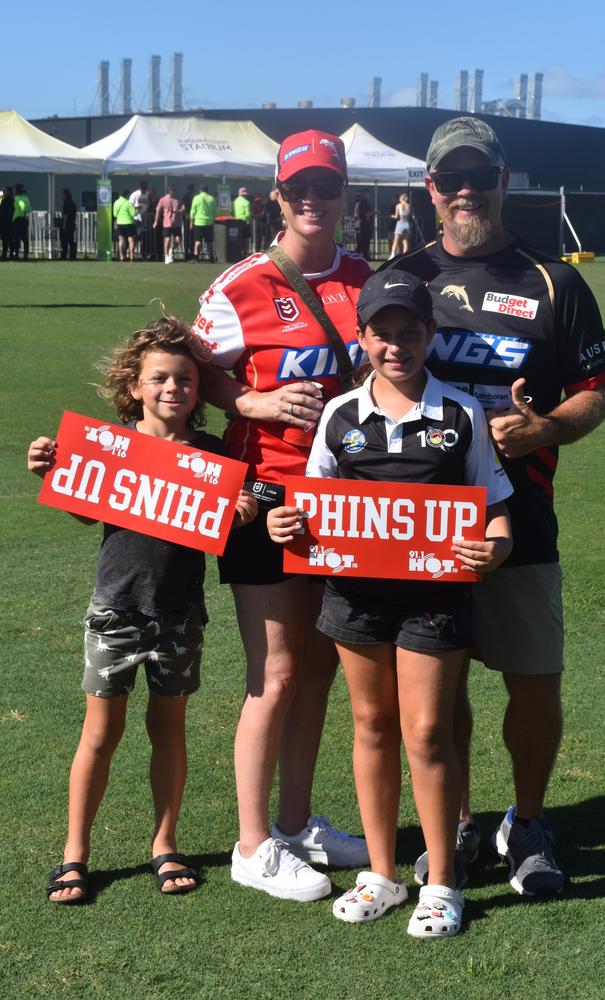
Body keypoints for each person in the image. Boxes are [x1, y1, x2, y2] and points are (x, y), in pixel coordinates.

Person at [383, 116, 605, 896]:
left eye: (477, 177)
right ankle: (453, 821)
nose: (464, 191)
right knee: (438, 687)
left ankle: (527, 818)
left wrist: (545, 427)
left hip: (524, 514)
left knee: (533, 680)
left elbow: (597, 393)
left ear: (502, 181)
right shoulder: (405, 277)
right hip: (426, 524)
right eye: (449, 179)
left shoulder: (554, 280)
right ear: (429, 189)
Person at [268, 269, 513, 937]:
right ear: (364, 337)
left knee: (427, 732)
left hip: (434, 600)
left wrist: (495, 548)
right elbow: (309, 504)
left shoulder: (462, 413)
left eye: (410, 332)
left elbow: (495, 514)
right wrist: (285, 524)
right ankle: (382, 871)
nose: (396, 346)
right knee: (372, 725)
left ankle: (441, 881)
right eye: (383, 334)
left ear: (430, 335)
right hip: (355, 598)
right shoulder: (340, 416)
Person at [191, 129, 373, 901]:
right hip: (264, 499)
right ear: (277, 194)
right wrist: (253, 399)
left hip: (343, 504)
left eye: (325, 187)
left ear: (343, 196)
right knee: (276, 672)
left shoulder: (368, 278)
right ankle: (251, 843)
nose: (313, 200)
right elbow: (183, 372)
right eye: (299, 187)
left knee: (323, 669)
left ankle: (297, 825)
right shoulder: (238, 287)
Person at [27, 316, 257, 904]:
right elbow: (86, 511)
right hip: (116, 610)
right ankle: (74, 853)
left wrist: (243, 508)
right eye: (158, 379)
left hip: (180, 614)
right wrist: (53, 469)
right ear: (134, 386)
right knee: (100, 733)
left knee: (168, 731)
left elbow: (226, 521)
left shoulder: (210, 456)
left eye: (184, 379)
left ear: (199, 389)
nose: (171, 389)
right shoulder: (109, 447)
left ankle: (164, 844)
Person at [154, 184, 185, 264]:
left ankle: (171, 250)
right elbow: (158, 211)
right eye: (172, 190)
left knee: (179, 240)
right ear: (168, 191)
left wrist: (178, 211)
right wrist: (156, 222)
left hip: (177, 223)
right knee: (167, 240)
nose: (173, 192)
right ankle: (166, 256)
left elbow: (183, 209)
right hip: (167, 223)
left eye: (174, 190)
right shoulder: (163, 199)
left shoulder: (178, 199)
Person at [190, 185, 216, 263]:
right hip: (209, 222)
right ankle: (211, 258)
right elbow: (215, 211)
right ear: (207, 190)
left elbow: (193, 211)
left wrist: (191, 222)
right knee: (209, 242)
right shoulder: (212, 198)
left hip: (198, 222)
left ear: (200, 190)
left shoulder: (196, 198)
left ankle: (196, 258)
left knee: (197, 242)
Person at [113, 189, 137, 261]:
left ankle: (121, 256)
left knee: (121, 240)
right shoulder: (129, 203)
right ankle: (131, 257)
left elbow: (115, 214)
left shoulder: (116, 202)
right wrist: (137, 210)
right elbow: (133, 214)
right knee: (131, 240)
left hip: (120, 223)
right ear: (127, 195)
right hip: (129, 223)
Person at [389, 192, 413, 259]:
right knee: (405, 241)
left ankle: (392, 255)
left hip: (400, 223)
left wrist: (391, 216)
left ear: (401, 198)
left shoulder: (398, 206)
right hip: (407, 223)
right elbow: (412, 216)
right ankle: (405, 256)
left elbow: (396, 217)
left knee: (396, 240)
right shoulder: (409, 205)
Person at [129, 180, 149, 259]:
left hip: (145, 219)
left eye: (145, 188)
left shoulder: (148, 194)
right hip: (136, 218)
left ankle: (142, 253)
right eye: (142, 188)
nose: (144, 190)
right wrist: (137, 207)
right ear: (140, 187)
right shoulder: (135, 194)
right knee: (135, 237)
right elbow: (129, 206)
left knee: (143, 237)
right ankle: (131, 253)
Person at [11, 182, 31, 260]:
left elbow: (22, 206)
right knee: (25, 238)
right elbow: (28, 209)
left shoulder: (16, 198)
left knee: (16, 238)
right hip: (24, 219)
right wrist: (25, 214)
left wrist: (23, 211)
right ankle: (26, 254)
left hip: (17, 219)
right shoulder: (26, 198)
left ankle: (16, 253)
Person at [353, 188, 373, 260]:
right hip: (363, 223)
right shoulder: (363, 202)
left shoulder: (362, 202)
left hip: (363, 223)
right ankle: (358, 254)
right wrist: (374, 213)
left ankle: (365, 255)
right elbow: (365, 214)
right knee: (363, 240)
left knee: (364, 240)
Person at [59, 189, 78, 260]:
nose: (61, 196)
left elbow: (65, 215)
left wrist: (63, 224)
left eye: (62, 195)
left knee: (64, 241)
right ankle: (73, 255)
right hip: (72, 223)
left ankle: (64, 255)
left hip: (67, 224)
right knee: (71, 240)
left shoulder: (66, 204)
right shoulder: (73, 203)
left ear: (66, 195)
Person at [0, 186, 14, 260]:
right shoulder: (5, 200)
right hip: (7, 222)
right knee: (6, 240)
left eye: (5, 191)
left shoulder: (7, 201)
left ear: (9, 192)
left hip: (7, 222)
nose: (4, 192)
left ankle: (7, 255)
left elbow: (3, 212)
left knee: (7, 240)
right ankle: (7, 254)